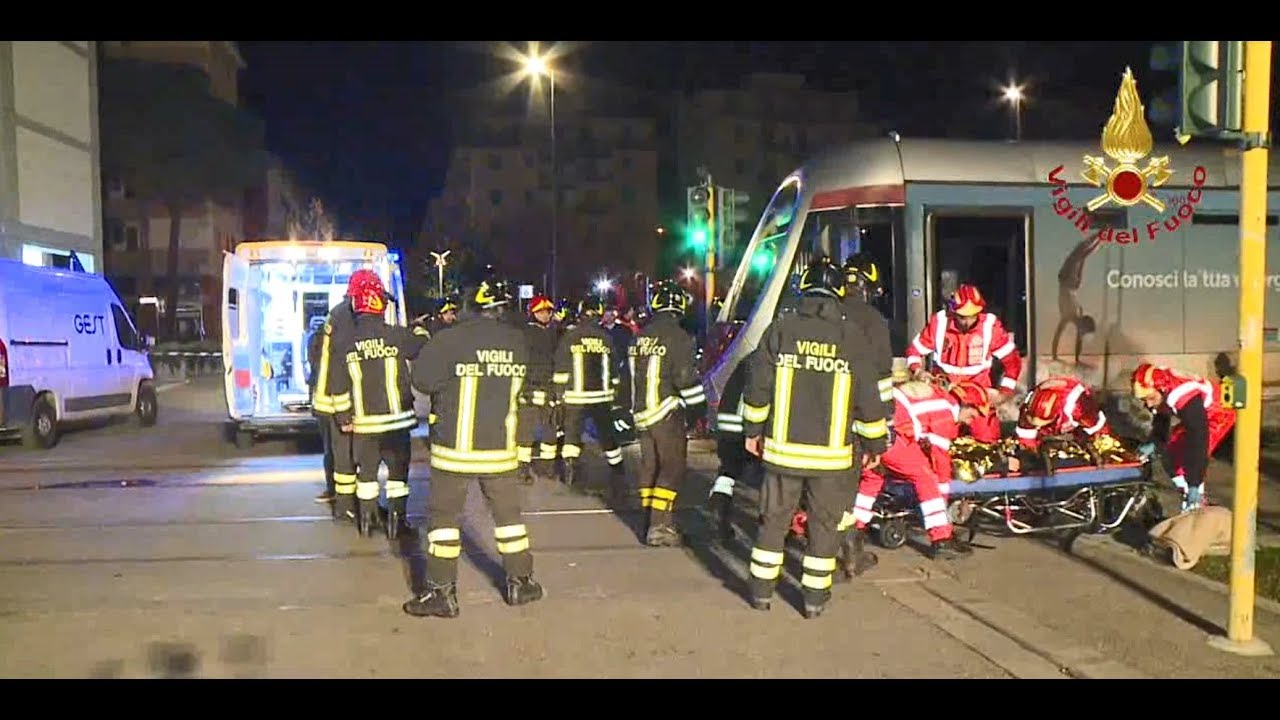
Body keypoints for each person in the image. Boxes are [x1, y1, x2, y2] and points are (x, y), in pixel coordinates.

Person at [740, 257, 889, 618]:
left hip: (782, 454)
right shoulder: (850, 336)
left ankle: (761, 593)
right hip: (832, 459)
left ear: (802, 289)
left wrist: (752, 431)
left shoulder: (780, 329)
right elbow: (869, 396)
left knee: (774, 520)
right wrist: (875, 445)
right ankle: (813, 600)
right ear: (838, 293)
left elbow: (757, 386)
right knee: (823, 528)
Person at [403, 277, 544, 618]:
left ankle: (442, 593)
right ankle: (520, 582)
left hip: (455, 449)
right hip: (500, 448)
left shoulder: (450, 339)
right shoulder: (517, 341)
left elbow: (421, 380)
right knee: (509, 518)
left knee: (444, 520)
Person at [329, 270, 429, 538]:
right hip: (397, 425)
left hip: (364, 426)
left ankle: (366, 523)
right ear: (379, 303)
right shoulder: (396, 335)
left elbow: (337, 385)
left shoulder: (344, 342)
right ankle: (398, 523)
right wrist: (418, 328)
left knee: (367, 475)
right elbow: (422, 345)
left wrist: (343, 418)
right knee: (397, 477)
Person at [847, 379, 988, 565]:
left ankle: (852, 531)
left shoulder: (939, 400)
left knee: (873, 478)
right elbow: (940, 461)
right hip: (892, 435)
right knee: (925, 476)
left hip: (874, 430)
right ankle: (941, 540)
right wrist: (941, 499)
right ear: (965, 403)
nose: (974, 419)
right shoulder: (945, 412)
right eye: (974, 413)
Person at [629, 281, 705, 546]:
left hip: (640, 413)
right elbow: (685, 378)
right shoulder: (678, 337)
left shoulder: (640, 336)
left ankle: (649, 518)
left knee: (650, 466)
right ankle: (660, 526)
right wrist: (698, 409)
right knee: (672, 467)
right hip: (666, 412)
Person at [905, 283, 1022, 442]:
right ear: (953, 311)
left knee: (986, 439)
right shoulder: (939, 323)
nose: (967, 321)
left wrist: (1003, 393)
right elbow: (914, 351)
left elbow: (1012, 362)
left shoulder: (989, 327)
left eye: (972, 315)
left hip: (979, 397)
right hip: (945, 395)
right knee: (940, 440)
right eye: (962, 316)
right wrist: (917, 370)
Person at [1131, 363, 1237, 513]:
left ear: (1161, 390)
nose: (1147, 403)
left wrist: (1194, 482)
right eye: (1143, 400)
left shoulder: (1183, 396)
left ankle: (1195, 502)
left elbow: (1198, 441)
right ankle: (1189, 494)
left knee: (1185, 459)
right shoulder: (1163, 385)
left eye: (1150, 398)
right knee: (1171, 452)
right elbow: (1162, 415)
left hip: (1218, 415)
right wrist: (1155, 441)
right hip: (1202, 413)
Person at [553, 294, 625, 487]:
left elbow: (560, 366)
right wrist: (615, 390)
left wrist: (559, 393)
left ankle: (570, 466)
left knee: (572, 433)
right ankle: (617, 468)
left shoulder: (570, 336)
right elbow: (614, 368)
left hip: (575, 396)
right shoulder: (606, 338)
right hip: (602, 396)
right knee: (607, 435)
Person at [308, 292, 358, 517]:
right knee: (343, 453)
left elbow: (316, 361)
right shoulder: (347, 319)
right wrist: (346, 412)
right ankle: (346, 504)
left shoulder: (334, 317)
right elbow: (341, 364)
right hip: (334, 400)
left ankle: (335, 493)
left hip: (323, 399)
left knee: (333, 451)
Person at [1008, 375, 1110, 471]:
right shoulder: (1028, 407)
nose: (1038, 426)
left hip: (1078, 432)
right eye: (1036, 424)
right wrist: (1028, 457)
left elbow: (1098, 429)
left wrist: (1101, 452)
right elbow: (1025, 438)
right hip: (1049, 437)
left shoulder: (1079, 405)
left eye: (1043, 423)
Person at [517, 295, 561, 484]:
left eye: (548, 312)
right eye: (540, 312)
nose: (545, 315)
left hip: (550, 388)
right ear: (532, 313)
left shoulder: (556, 333)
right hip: (529, 388)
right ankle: (523, 468)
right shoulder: (525, 333)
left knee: (550, 430)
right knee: (525, 431)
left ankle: (548, 467)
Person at [1051, 231, 1104, 367]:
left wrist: (1099, 239)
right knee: (1065, 327)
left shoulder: (1075, 262)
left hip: (1069, 296)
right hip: (1067, 297)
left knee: (1065, 327)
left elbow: (1085, 255)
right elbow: (1085, 252)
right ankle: (1061, 356)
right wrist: (1100, 236)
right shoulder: (1074, 259)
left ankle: (1066, 356)